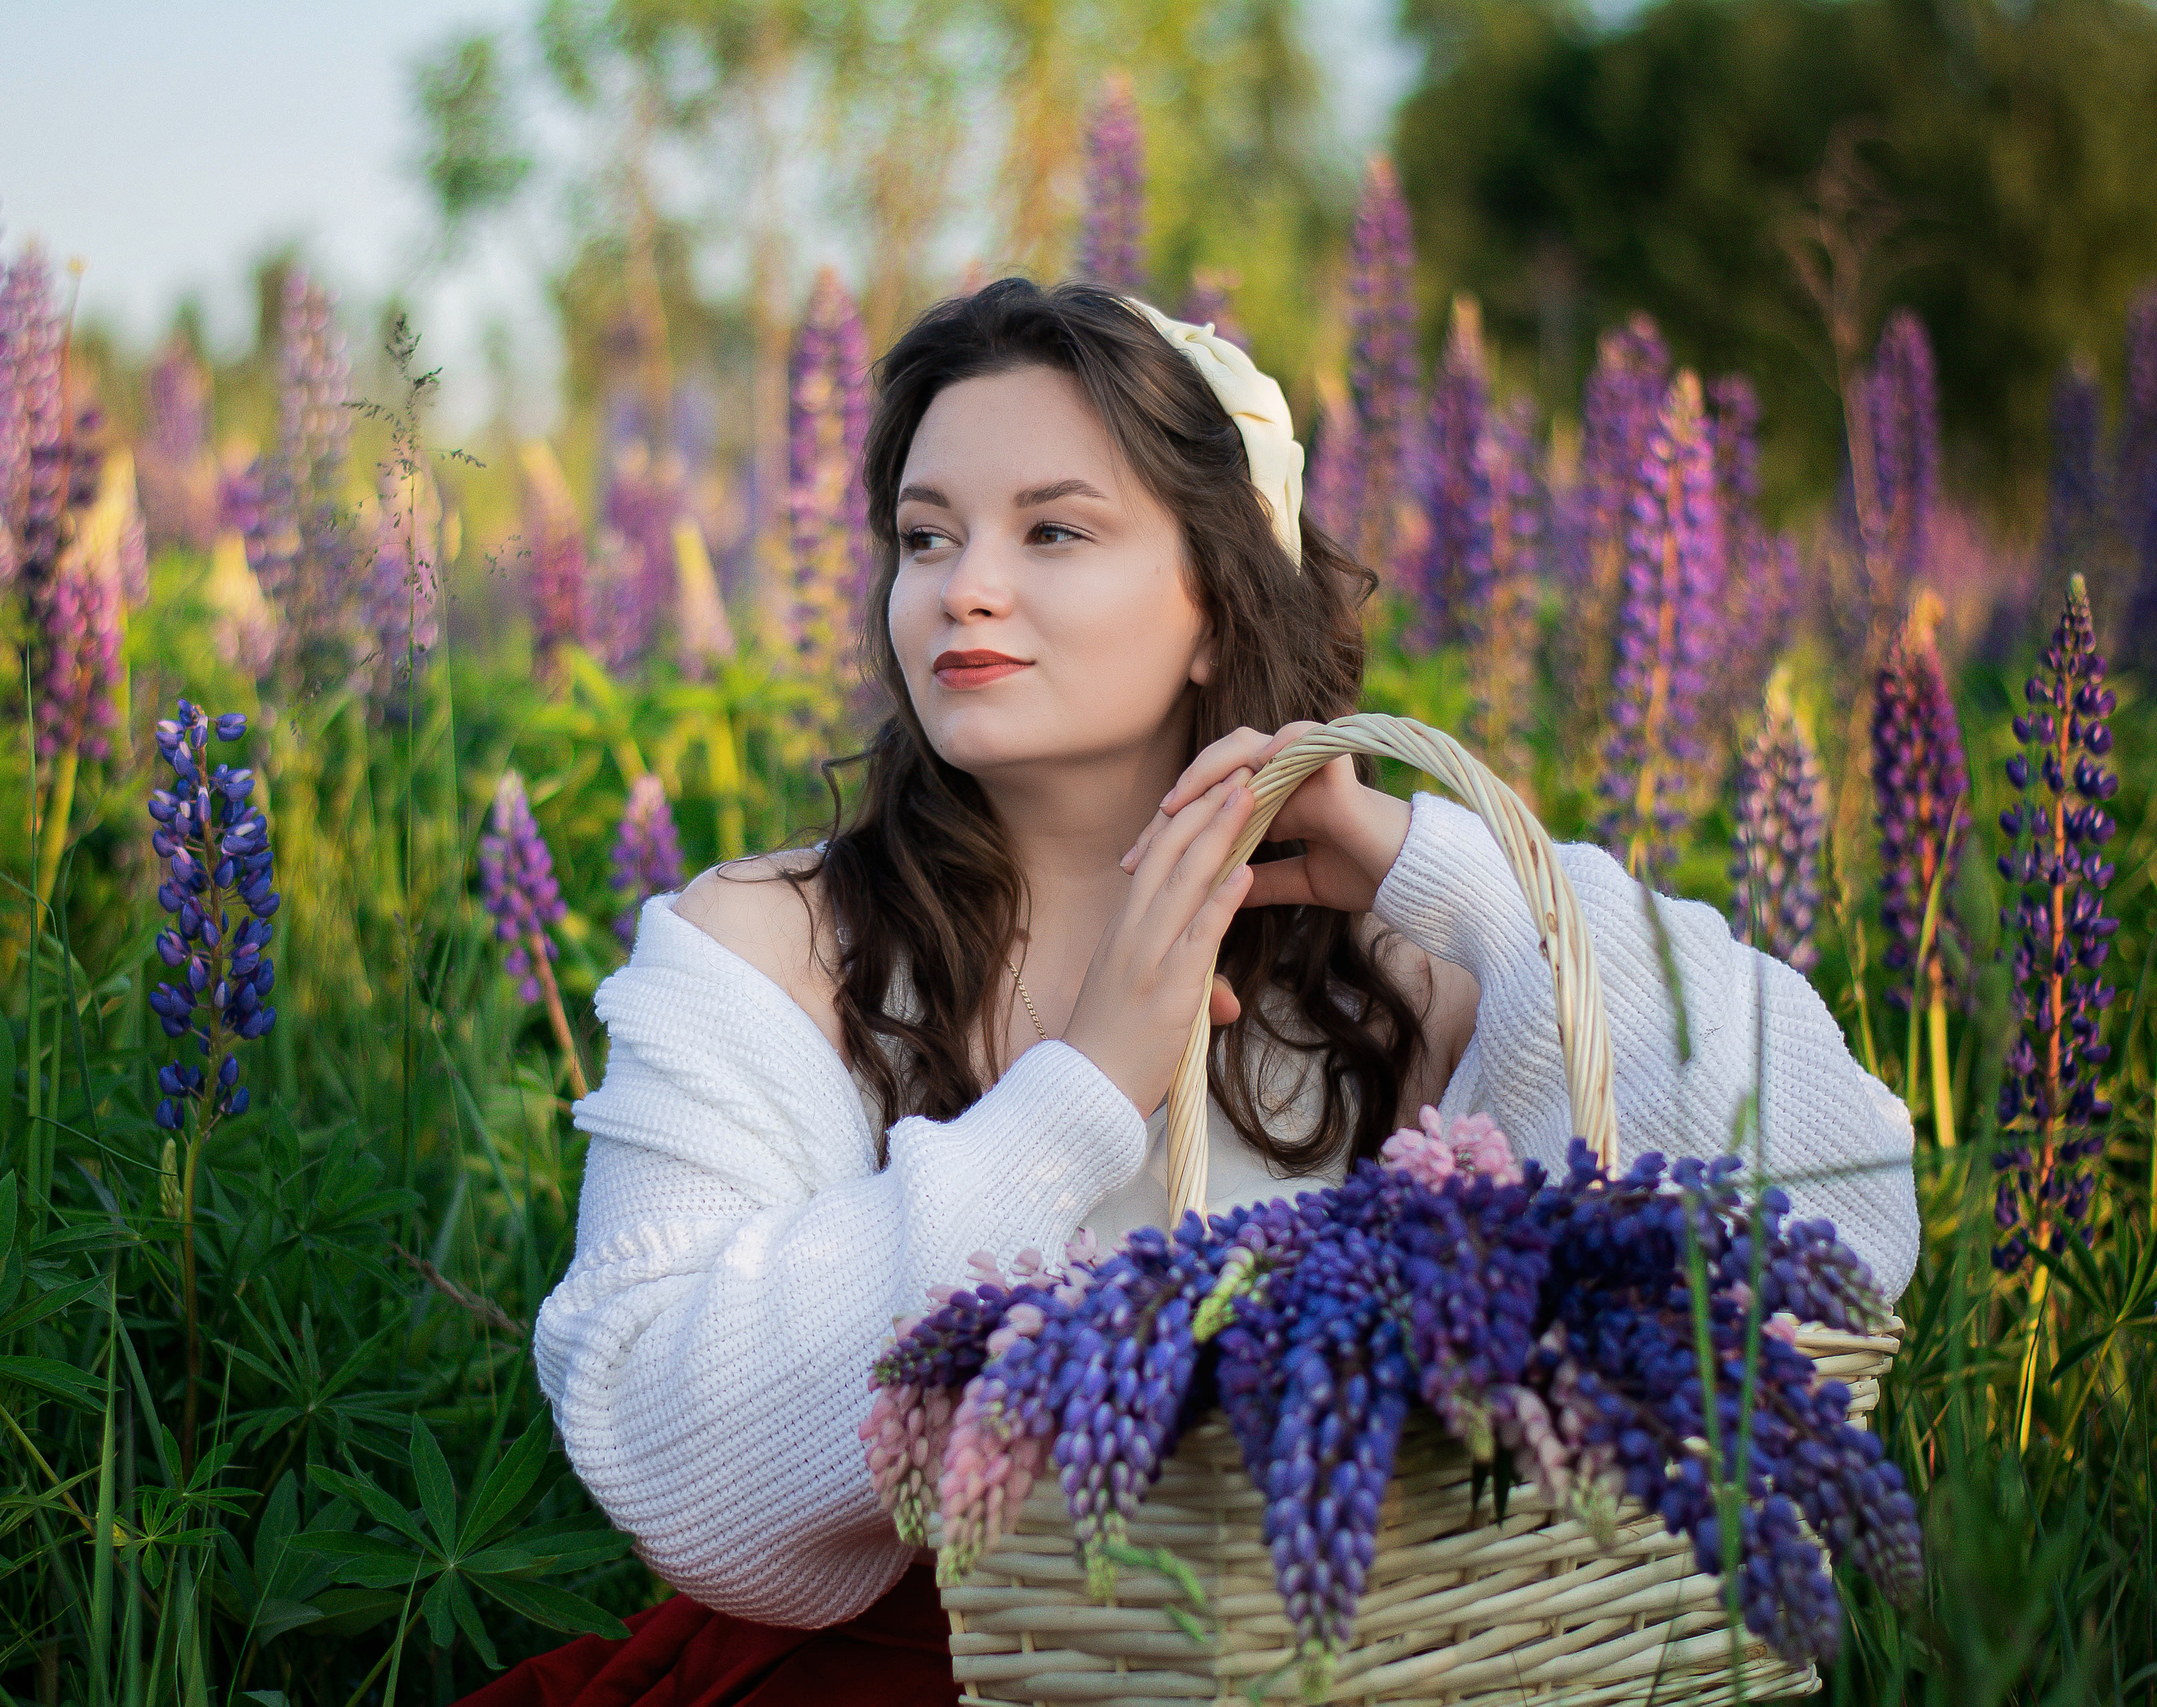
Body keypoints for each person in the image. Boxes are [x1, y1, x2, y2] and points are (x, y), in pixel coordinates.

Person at [460, 279, 1919, 1706]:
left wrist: (1440, 868)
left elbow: (1844, 1212)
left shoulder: (1403, 973)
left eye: (1055, 530)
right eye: (926, 535)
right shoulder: (770, 944)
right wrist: (1079, 1095)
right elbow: (669, 1468)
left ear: (1221, 601)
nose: (965, 583)